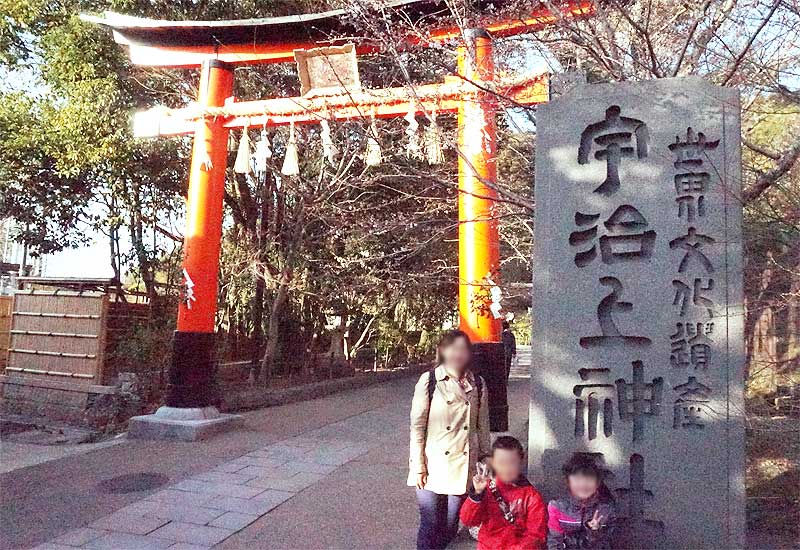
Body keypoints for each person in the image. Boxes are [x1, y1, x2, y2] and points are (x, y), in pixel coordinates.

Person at [408, 329, 492, 550]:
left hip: (463, 465)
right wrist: (418, 466)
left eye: (463, 349)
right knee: (430, 524)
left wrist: (486, 459)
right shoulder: (430, 381)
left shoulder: (479, 384)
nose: (458, 354)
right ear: (442, 351)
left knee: (451, 524)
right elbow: (417, 426)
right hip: (432, 464)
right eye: (452, 348)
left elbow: (482, 426)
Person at [459, 436, 547, 549]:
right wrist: (477, 494)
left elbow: (536, 535)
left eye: (512, 462)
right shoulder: (488, 489)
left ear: (522, 461)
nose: (507, 468)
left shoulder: (531, 496)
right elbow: (468, 520)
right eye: (501, 463)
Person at [546, 453, 617, 550]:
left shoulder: (606, 508)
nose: (583, 485)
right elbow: (554, 542)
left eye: (589, 480)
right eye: (577, 480)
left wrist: (594, 532)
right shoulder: (557, 507)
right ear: (568, 481)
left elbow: (607, 544)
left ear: (598, 482)